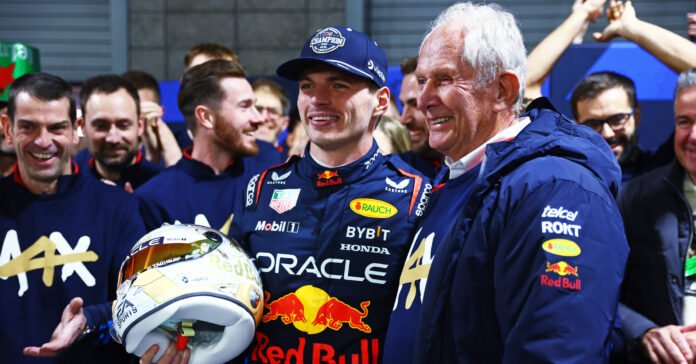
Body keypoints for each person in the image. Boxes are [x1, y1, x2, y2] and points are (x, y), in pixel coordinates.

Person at [397, 3, 627, 362]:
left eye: (444, 79)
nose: (424, 100)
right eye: (423, 81)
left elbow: (558, 350)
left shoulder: (556, 188)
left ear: (503, 89)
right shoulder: (456, 177)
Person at [238, 25, 432, 363]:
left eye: (338, 85)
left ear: (381, 101)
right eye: (307, 86)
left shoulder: (415, 197)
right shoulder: (262, 188)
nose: (317, 99)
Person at [0, 72, 145, 362]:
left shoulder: (117, 207)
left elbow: (143, 297)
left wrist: (89, 320)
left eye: (56, 128)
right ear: (8, 128)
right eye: (28, 127)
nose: (43, 142)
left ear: (75, 128)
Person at [616, 68, 696, 363]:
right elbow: (599, 291)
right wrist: (643, 331)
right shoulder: (633, 198)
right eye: (684, 122)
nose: (693, 136)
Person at [136, 59, 264, 233]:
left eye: (254, 105)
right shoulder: (154, 197)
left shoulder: (267, 182)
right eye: (244, 106)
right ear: (206, 117)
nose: (258, 118)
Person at [570, 71, 674, 181]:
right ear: (576, 126)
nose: (607, 134)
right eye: (592, 124)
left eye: (617, 119)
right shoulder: (564, 178)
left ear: (636, 116)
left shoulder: (663, 167)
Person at [75, 74, 162, 190]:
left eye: (123, 125)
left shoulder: (161, 184)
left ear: (140, 125)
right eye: (101, 126)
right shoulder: (70, 179)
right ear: (82, 127)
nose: (114, 138)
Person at [121, 70, 182, 167]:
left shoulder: (179, 145)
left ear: (161, 111)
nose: (138, 119)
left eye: (146, 109)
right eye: (129, 110)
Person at [396, 57, 443, 179]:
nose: (404, 120)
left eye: (415, 104)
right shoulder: (396, 172)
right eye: (402, 105)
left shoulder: (487, 168)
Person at [252, 78, 290, 150]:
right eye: (257, 109)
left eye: (273, 111)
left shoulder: (294, 160)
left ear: (285, 123)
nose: (263, 118)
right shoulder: (226, 159)